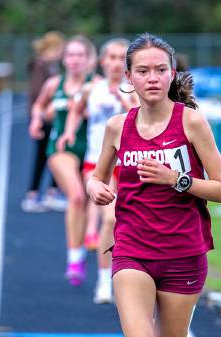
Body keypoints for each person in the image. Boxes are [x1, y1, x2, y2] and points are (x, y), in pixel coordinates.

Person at [86, 33, 221, 337]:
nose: (151, 78)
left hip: (184, 255)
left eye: (159, 70)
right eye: (142, 71)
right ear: (127, 78)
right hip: (132, 250)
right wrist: (96, 189)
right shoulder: (116, 127)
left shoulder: (192, 123)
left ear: (172, 74)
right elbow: (97, 175)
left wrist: (179, 180)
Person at [57, 38, 139, 304]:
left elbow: (141, 121)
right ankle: (105, 283)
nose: (115, 63)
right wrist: (69, 131)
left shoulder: (133, 90)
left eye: (120, 58)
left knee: (129, 224)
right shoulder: (92, 88)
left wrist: (124, 102)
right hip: (97, 165)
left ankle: (132, 277)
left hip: (128, 166)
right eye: (111, 58)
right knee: (111, 219)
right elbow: (75, 110)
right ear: (102, 62)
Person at [29, 35, 96, 286]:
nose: (75, 60)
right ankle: (74, 258)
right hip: (61, 148)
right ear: (64, 58)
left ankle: (92, 243)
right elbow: (38, 106)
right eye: (70, 55)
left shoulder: (97, 85)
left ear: (90, 59)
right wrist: (37, 120)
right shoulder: (54, 84)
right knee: (77, 196)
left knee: (93, 200)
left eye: (81, 55)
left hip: (92, 149)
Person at [22, 31, 65, 213]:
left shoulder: (51, 66)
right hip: (44, 118)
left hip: (51, 117)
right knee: (43, 156)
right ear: (52, 48)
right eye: (60, 49)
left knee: (56, 154)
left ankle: (51, 192)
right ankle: (33, 195)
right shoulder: (41, 66)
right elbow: (38, 92)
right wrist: (39, 115)